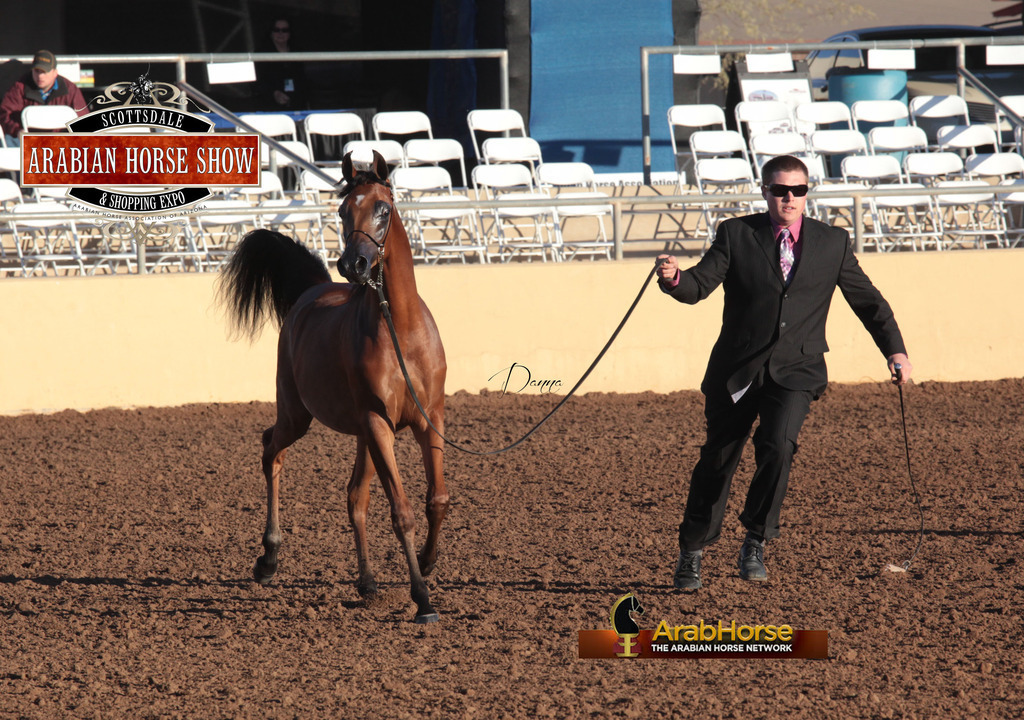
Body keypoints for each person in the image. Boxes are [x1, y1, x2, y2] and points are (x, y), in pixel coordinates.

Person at [656, 154, 912, 591]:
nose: (788, 198)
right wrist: (674, 278)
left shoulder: (833, 242)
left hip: (797, 369)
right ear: (765, 191)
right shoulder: (737, 234)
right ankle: (692, 552)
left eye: (797, 190)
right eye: (779, 190)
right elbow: (698, 285)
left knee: (778, 444)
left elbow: (868, 301)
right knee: (719, 460)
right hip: (737, 371)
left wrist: (896, 351)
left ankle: (755, 539)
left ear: (807, 192)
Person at [0, 50, 87, 146]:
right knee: (8, 141)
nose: (40, 76)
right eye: (37, 71)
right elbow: (4, 114)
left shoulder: (70, 90)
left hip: (61, 143)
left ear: (55, 72)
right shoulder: (19, 87)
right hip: (26, 142)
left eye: (45, 71)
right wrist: (18, 131)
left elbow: (83, 120)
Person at [254, 17, 307, 111]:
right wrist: (274, 93)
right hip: (270, 105)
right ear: (271, 32)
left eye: (285, 30)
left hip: (297, 103)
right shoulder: (261, 53)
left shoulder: (297, 51)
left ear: (290, 33)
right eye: (276, 30)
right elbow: (258, 81)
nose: (280, 33)